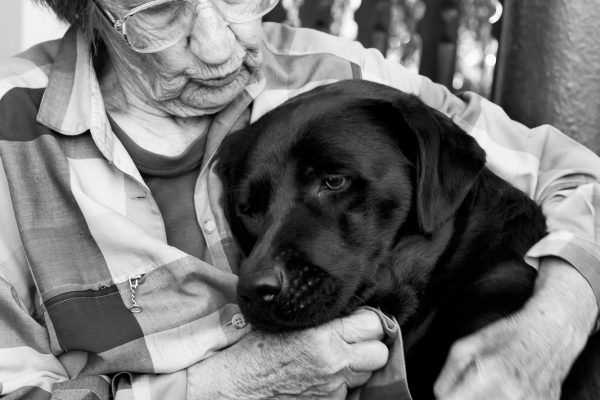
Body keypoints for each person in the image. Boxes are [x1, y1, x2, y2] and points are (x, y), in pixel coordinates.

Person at [0, 0, 598, 399]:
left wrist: (549, 330)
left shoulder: (335, 73)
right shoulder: (10, 142)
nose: (214, 45)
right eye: (159, 10)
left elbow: (578, 179)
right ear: (90, 12)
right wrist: (227, 387)